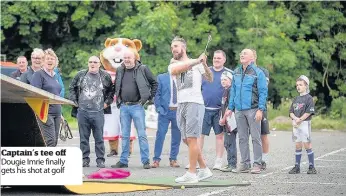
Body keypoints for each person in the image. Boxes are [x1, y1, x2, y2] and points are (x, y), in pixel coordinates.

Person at [168, 36, 213, 183]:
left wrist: (204, 64)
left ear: (183, 48)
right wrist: (196, 61)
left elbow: (209, 78)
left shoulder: (197, 63)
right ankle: (204, 169)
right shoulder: (173, 64)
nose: (173, 49)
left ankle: (192, 173)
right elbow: (178, 69)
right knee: (186, 139)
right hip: (181, 104)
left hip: (195, 102)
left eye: (175, 46)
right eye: (172, 47)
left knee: (193, 138)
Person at [111, 48, 157, 169]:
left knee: (142, 134)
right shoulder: (120, 70)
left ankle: (146, 161)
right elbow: (116, 85)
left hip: (137, 106)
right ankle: (123, 161)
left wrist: (149, 98)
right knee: (125, 135)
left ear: (135, 58)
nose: (126, 60)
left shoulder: (143, 69)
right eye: (125, 58)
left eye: (129, 57)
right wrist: (119, 101)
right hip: (124, 107)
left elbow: (154, 83)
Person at [69, 56, 115, 168]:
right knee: (84, 138)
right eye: (90, 62)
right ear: (88, 63)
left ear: (99, 64)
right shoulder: (80, 75)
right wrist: (74, 101)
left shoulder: (105, 76)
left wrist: (107, 103)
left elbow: (111, 90)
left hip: (98, 112)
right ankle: (85, 159)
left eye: (95, 62)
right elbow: (72, 88)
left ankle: (100, 160)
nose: (92, 64)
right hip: (82, 112)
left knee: (99, 138)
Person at [228, 48, 268, 174]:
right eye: (241, 53)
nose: (242, 54)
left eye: (245, 53)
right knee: (242, 138)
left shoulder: (258, 72)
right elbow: (233, 90)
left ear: (252, 57)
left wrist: (260, 110)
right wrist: (230, 108)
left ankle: (257, 164)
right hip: (239, 110)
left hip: (253, 109)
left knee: (256, 138)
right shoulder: (236, 71)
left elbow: (263, 91)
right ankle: (245, 164)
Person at [199, 50, 232, 170]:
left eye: (219, 58)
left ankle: (218, 160)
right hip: (204, 109)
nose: (216, 60)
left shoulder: (229, 73)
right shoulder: (205, 72)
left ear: (224, 60)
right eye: (214, 58)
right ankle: (198, 159)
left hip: (219, 110)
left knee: (219, 136)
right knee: (200, 135)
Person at [152, 59, 182, 168]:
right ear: (169, 66)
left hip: (178, 111)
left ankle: (173, 159)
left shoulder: (182, 78)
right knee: (160, 135)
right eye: (173, 64)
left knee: (176, 136)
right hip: (164, 111)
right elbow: (157, 94)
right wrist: (159, 108)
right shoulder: (161, 77)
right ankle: (156, 159)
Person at [30, 49, 62, 147]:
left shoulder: (56, 76)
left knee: (55, 141)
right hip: (45, 112)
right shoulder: (38, 75)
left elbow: (58, 94)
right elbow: (35, 95)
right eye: (47, 59)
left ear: (55, 62)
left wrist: (61, 114)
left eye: (52, 59)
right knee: (50, 141)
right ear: (43, 61)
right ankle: (48, 161)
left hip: (57, 112)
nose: (50, 61)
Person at [288, 75, 317, 174]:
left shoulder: (309, 98)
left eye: (300, 85)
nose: (298, 87)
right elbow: (291, 112)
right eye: (297, 85)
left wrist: (300, 119)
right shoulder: (296, 99)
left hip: (304, 123)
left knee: (307, 144)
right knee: (297, 145)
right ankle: (297, 167)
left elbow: (309, 111)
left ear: (306, 86)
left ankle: (311, 167)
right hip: (296, 124)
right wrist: (295, 118)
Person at [251, 49, 270, 170]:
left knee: (263, 134)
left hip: (260, 106)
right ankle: (253, 160)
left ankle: (264, 159)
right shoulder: (241, 71)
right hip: (246, 108)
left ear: (255, 57)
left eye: (251, 56)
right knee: (249, 136)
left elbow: (264, 88)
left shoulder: (263, 71)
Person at [218, 70, 238, 173]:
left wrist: (224, 119)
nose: (223, 81)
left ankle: (232, 164)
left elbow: (229, 108)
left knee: (230, 143)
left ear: (230, 80)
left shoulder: (230, 90)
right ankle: (229, 162)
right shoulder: (225, 91)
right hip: (226, 121)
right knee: (226, 143)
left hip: (231, 121)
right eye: (222, 80)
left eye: (225, 79)